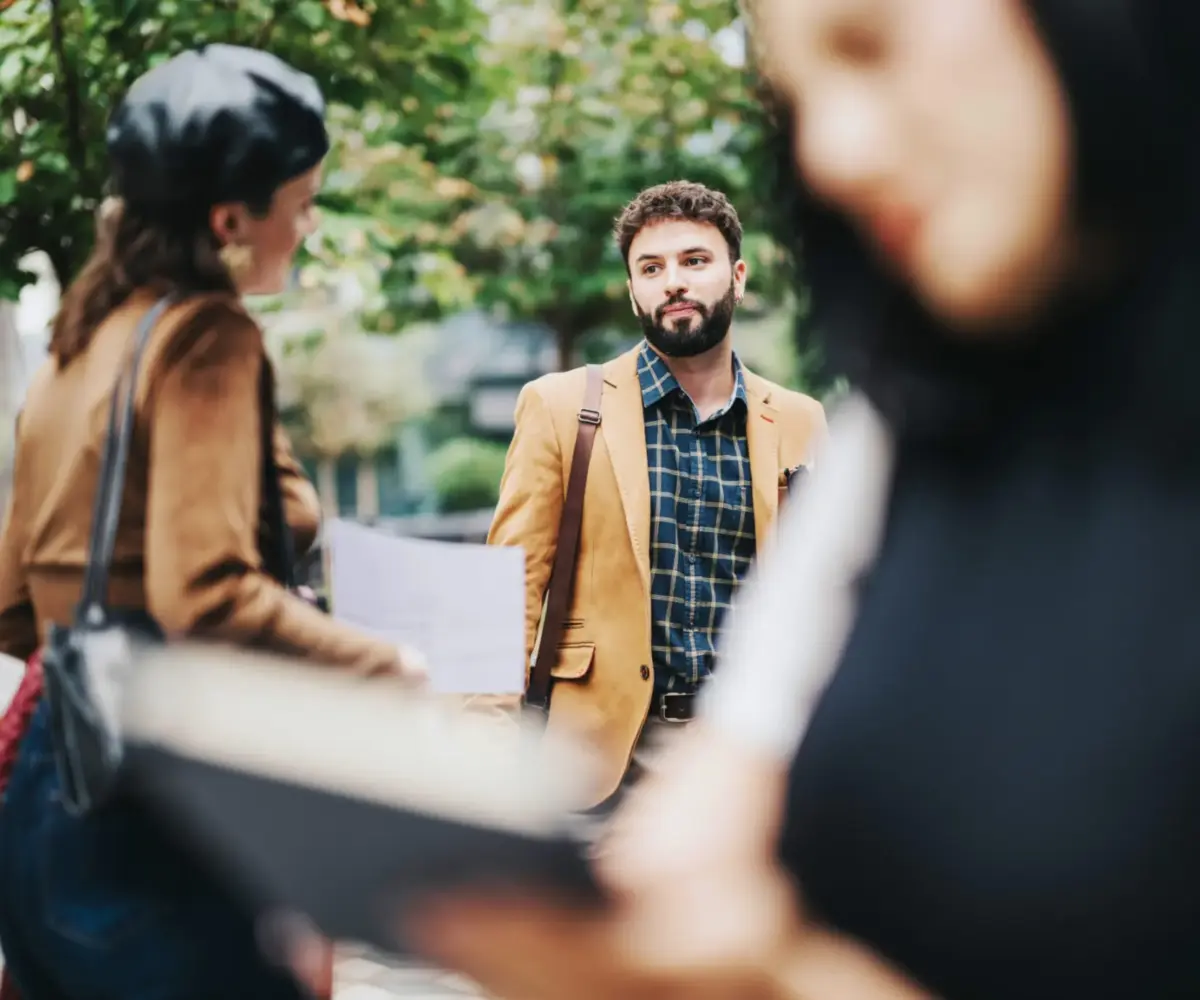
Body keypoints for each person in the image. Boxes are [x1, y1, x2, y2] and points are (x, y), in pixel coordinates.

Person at [400, 1, 1200, 998]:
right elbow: (513, 587)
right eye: (794, 99)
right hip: (608, 768)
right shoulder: (890, 431)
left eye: (873, 43)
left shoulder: (811, 422)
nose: (832, 153)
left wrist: (779, 971)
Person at [0, 44, 422, 1000]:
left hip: (52, 798)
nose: (306, 226)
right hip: (176, 806)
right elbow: (204, 591)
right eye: (301, 201)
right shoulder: (204, 336)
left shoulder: (76, 342)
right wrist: (388, 664)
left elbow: (14, 609)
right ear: (233, 218)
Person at [485, 180, 826, 809]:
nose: (673, 281)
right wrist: (489, 758)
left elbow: (821, 601)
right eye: (651, 267)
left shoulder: (802, 421)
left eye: (694, 261)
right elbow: (505, 597)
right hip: (597, 764)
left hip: (749, 760)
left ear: (738, 276)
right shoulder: (561, 407)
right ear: (633, 288)